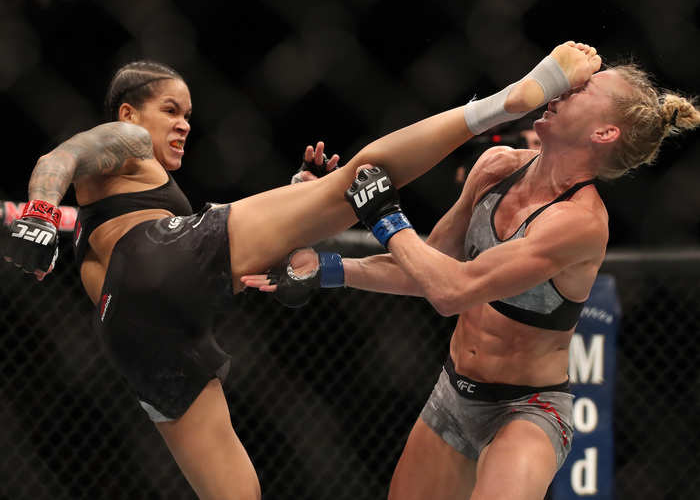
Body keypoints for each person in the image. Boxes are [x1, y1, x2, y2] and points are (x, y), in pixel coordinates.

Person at [2, 41, 600, 500]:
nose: (184, 123)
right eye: (170, 110)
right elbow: (60, 157)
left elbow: (183, 263)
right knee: (360, 180)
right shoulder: (125, 139)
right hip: (165, 281)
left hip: (141, 338)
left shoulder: (134, 198)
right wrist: (37, 209)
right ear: (132, 111)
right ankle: (511, 97)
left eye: (188, 112)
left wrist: (296, 206)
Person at [243, 62, 700, 499]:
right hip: (454, 395)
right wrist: (327, 260)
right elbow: (427, 269)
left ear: (604, 133)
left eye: (583, 90)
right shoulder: (496, 166)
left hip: (528, 410)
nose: (562, 89)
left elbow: (452, 291)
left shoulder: (579, 223)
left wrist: (380, 213)